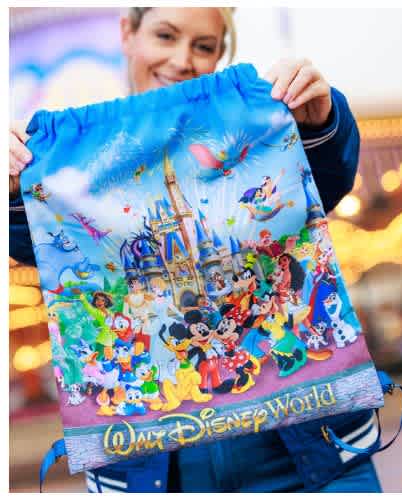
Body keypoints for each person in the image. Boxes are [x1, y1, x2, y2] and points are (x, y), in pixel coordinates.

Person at [10, 7, 381, 493]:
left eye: (203, 46)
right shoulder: (75, 165)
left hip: (308, 448)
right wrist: (16, 187)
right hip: (155, 470)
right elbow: (41, 249)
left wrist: (320, 120)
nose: (182, 59)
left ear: (221, 54)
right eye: (165, 35)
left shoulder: (249, 129)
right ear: (128, 32)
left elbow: (323, 182)